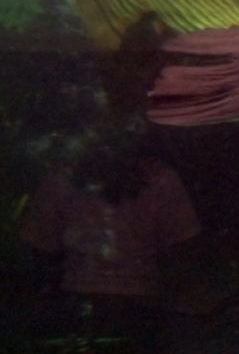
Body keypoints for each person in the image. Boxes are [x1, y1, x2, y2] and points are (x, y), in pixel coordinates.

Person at [20, 124, 200, 351]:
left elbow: (41, 249)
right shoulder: (162, 179)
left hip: (95, 306)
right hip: (122, 307)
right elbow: (181, 251)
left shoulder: (61, 177)